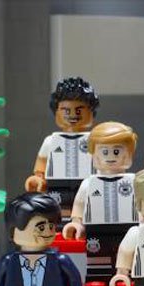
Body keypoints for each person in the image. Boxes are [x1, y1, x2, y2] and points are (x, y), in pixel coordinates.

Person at [62, 122, 139, 283]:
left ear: (128, 153)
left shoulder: (135, 181)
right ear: (94, 154)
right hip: (97, 229)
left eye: (117, 151)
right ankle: (98, 282)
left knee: (129, 257)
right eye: (104, 151)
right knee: (98, 259)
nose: (110, 156)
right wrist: (76, 222)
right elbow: (80, 205)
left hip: (129, 228)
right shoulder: (89, 183)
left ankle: (128, 278)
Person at [25, 77, 100, 222]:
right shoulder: (51, 141)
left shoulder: (96, 140)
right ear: (56, 112)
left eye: (79, 110)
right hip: (57, 186)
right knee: (59, 214)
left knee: (87, 212)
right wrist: (38, 179)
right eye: (66, 110)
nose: (72, 115)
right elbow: (40, 168)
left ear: (92, 113)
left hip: (88, 185)